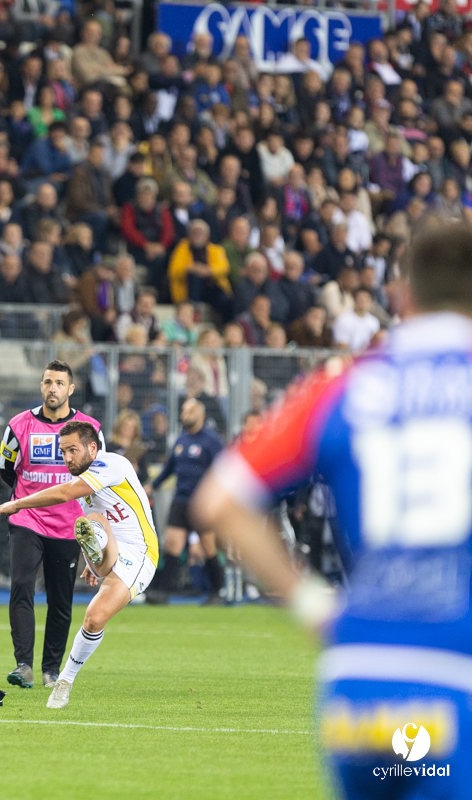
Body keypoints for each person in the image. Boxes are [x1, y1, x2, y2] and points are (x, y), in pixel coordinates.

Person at [193, 225, 472, 799]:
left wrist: (311, 603)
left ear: (403, 295)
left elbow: (219, 500)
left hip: (358, 679)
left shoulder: (347, 385)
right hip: (452, 674)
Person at [0, 420, 158, 708]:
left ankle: (64, 680)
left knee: (95, 613)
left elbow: (64, 492)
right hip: (112, 550)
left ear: (92, 448)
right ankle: (95, 549)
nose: (67, 458)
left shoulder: (111, 464)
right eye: (63, 452)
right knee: (92, 525)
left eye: (72, 450)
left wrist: (18, 503)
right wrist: (95, 558)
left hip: (141, 553)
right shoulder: (87, 486)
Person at [0, 360, 103, 690]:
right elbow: (6, 470)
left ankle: (51, 670)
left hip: (69, 525)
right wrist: (27, 498)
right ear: (41, 386)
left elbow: (100, 476)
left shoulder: (90, 429)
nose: (52, 388)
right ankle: (23, 665)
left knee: (60, 598)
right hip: (27, 519)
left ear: (71, 389)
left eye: (59, 383)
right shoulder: (18, 426)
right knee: (21, 585)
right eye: (47, 382)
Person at [143, 398, 226, 604]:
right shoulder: (181, 440)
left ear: (201, 415)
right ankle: (163, 593)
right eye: (183, 410)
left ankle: (218, 592)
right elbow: (170, 468)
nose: (184, 414)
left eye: (189, 411)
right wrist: (153, 485)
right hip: (180, 500)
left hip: (202, 503)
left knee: (208, 547)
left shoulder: (211, 440)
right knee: (172, 545)